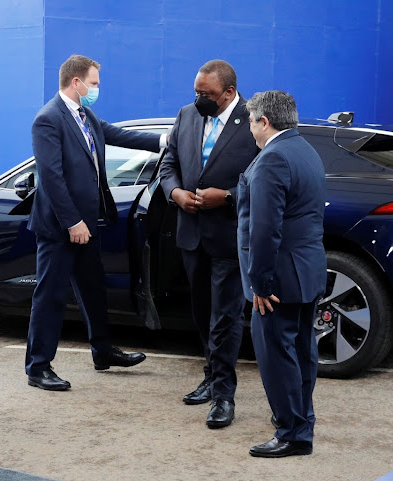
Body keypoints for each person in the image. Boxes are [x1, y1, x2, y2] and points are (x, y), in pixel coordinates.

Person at [26, 54, 167, 391]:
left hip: (88, 224)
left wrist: (167, 140)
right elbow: (52, 177)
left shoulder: (84, 114)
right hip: (62, 227)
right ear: (76, 83)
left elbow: (119, 135)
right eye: (94, 83)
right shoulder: (48, 119)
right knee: (51, 296)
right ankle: (38, 367)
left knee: (93, 291)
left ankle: (103, 352)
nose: (96, 89)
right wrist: (72, 222)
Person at [159, 59, 258, 429]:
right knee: (201, 312)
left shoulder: (254, 120)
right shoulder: (187, 114)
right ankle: (211, 373)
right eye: (196, 91)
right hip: (191, 234)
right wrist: (175, 192)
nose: (199, 98)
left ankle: (223, 396)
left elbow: (264, 178)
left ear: (229, 93)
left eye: (208, 94)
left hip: (230, 237)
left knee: (226, 317)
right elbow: (168, 163)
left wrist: (228, 198)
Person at [237, 90, 326, 457]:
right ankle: (301, 423)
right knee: (303, 351)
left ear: (265, 121)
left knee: (277, 355)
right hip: (307, 271)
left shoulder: (272, 158)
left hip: (277, 279)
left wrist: (260, 282)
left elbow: (264, 229)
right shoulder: (305, 149)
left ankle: (291, 433)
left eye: (251, 121)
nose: (250, 129)